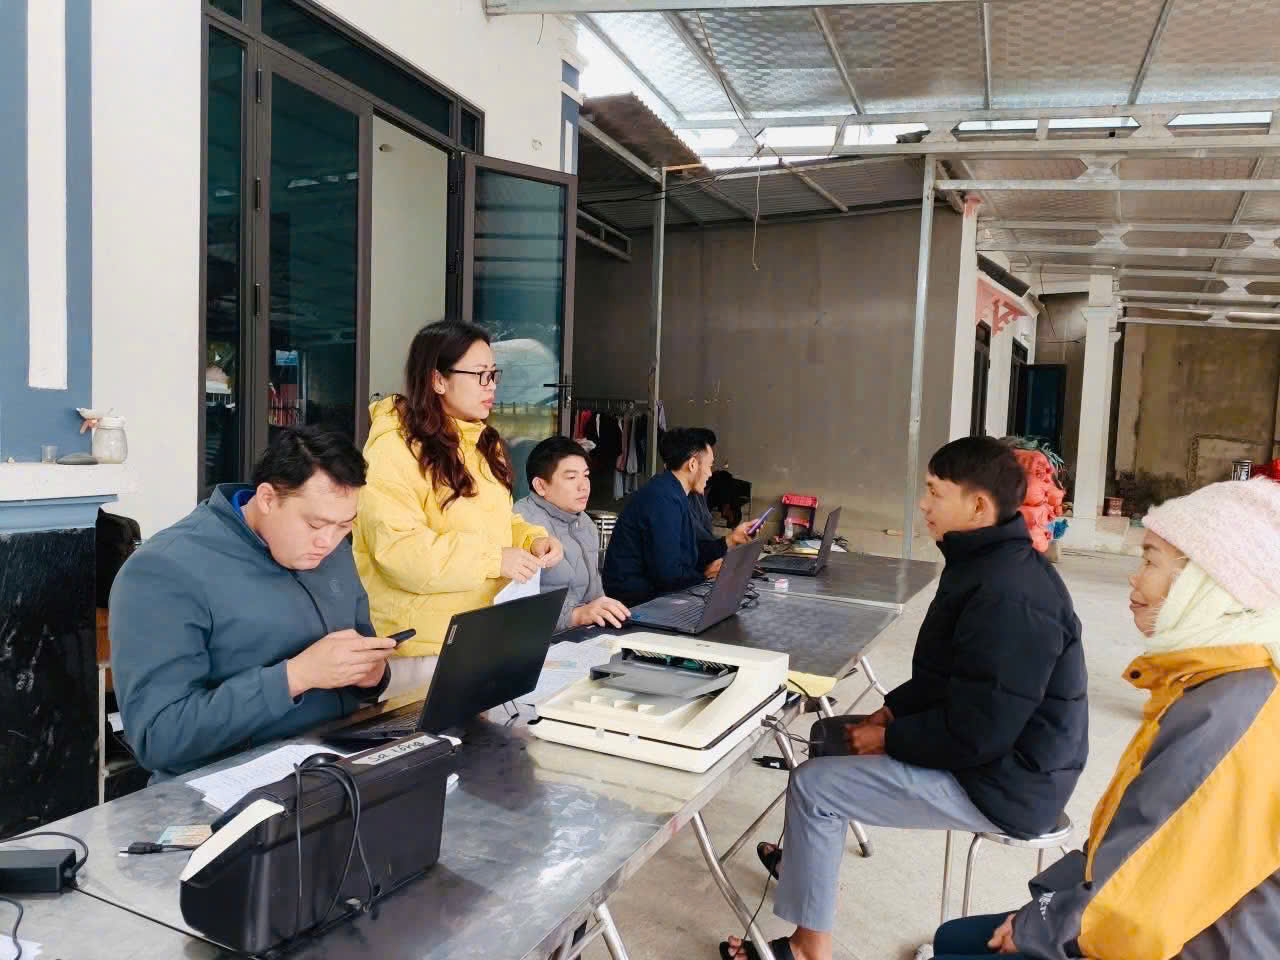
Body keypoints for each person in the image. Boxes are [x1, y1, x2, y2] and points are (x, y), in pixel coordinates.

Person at [724, 435, 1088, 960]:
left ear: (978, 507)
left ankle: (807, 948)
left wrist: (888, 738)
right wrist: (890, 711)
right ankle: (805, 866)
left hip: (1009, 783)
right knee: (829, 735)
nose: (923, 504)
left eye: (935, 492)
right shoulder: (984, 561)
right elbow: (948, 677)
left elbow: (980, 732)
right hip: (993, 756)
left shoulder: (1012, 594)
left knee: (814, 787)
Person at [929, 477, 1280, 960]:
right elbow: (1139, 839)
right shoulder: (1214, 684)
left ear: (1208, 584)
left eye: (1151, 561)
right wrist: (1049, 905)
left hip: (1192, 941)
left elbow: (1143, 912)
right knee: (954, 938)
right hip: (1154, 916)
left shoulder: (1231, 713)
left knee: (959, 948)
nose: (1134, 579)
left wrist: (1037, 927)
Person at [110, 428, 395, 779]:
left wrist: (372, 674)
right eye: (314, 524)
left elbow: (363, 653)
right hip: (224, 787)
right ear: (267, 499)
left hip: (336, 765)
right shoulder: (164, 570)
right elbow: (159, 738)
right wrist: (295, 676)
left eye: (344, 526)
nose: (328, 542)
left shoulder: (332, 548)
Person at [353, 320, 564, 696]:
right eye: (480, 375)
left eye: (494, 374)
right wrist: (494, 560)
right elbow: (400, 552)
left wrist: (531, 540)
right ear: (438, 380)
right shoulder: (393, 449)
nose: (491, 386)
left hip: (479, 635)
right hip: (421, 650)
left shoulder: (482, 442)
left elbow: (494, 521)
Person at [602, 427, 755, 608]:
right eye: (709, 465)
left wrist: (731, 540)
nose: (710, 473)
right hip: (636, 605)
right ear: (692, 464)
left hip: (655, 595)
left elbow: (687, 555)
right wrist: (704, 576)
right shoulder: (661, 499)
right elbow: (668, 575)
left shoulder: (674, 493)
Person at [514, 436, 631, 632]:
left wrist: (606, 610)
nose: (584, 486)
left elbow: (595, 594)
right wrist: (576, 616)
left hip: (583, 634)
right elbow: (519, 609)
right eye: (571, 477)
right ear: (541, 486)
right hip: (543, 641)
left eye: (586, 475)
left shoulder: (585, 523)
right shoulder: (522, 527)